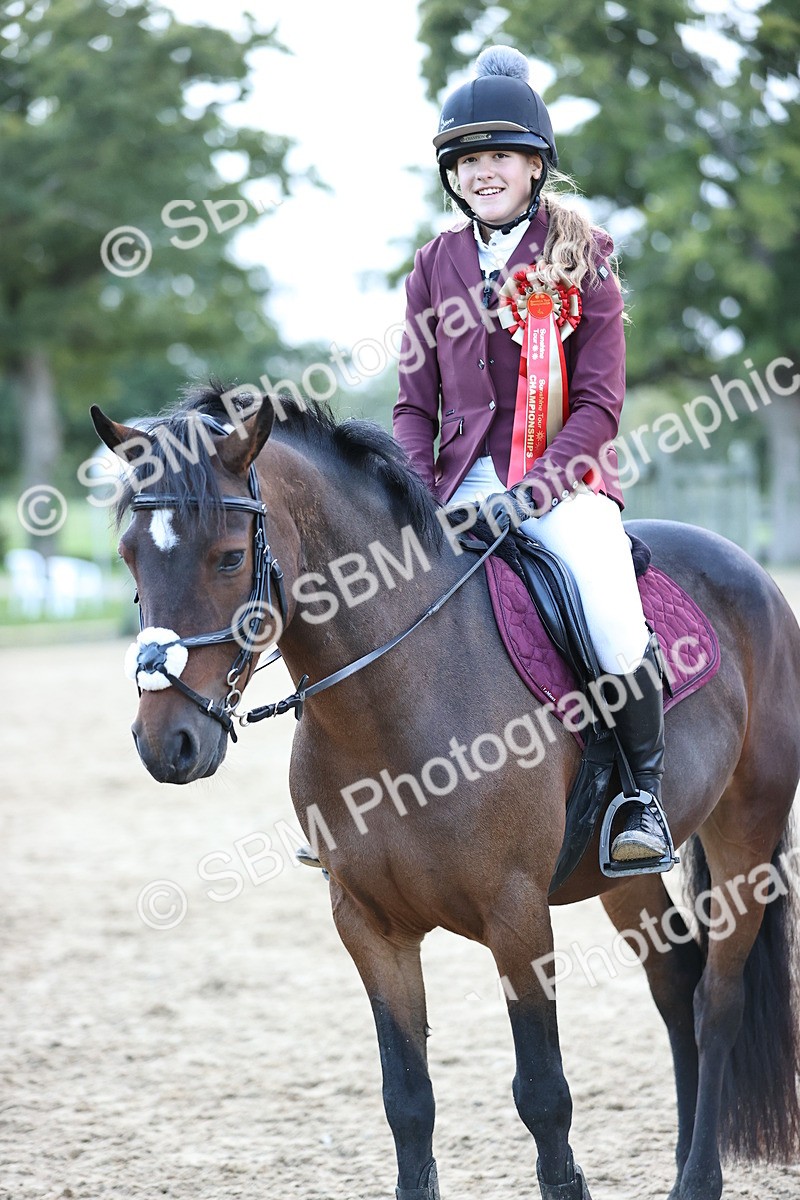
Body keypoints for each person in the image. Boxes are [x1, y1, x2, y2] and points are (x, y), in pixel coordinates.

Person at [392, 44, 671, 865]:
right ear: (453, 172)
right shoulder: (430, 267)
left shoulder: (582, 253)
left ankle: (640, 796)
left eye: (501, 157)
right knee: (360, 594)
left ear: (534, 166)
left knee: (614, 621)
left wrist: (536, 491)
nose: (484, 172)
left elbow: (599, 405)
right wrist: (415, 495)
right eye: (469, 159)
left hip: (566, 479)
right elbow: (415, 407)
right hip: (457, 478)